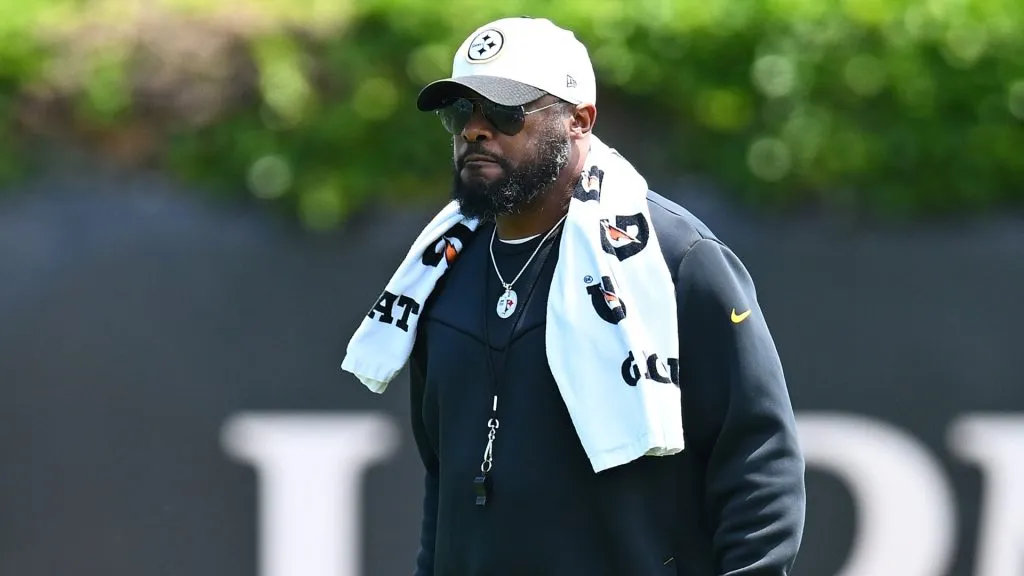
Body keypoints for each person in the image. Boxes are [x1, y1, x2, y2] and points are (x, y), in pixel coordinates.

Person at [342, 16, 806, 576]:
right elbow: (445, 484)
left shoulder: (675, 259)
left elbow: (758, 463)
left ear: (579, 121)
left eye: (505, 112)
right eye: (460, 113)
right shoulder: (437, 275)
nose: (474, 131)